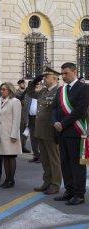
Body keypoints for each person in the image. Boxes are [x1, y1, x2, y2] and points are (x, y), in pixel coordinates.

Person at [52, 62, 89, 205]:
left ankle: (79, 195)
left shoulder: (84, 88)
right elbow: (54, 108)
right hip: (61, 132)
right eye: (62, 73)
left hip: (75, 131)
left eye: (66, 73)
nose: (63, 76)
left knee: (76, 164)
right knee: (65, 163)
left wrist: (62, 123)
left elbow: (80, 110)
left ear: (74, 72)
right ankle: (69, 191)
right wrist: (55, 122)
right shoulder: (61, 90)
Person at [26, 67, 62, 195]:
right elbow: (29, 93)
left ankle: (55, 184)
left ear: (54, 78)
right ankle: (47, 181)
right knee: (45, 159)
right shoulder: (43, 91)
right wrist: (34, 81)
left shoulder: (59, 91)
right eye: (44, 76)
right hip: (40, 130)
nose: (44, 79)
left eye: (47, 76)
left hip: (51, 131)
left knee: (54, 159)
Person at [0, 82, 22, 189]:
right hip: (1, 133)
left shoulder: (15, 102)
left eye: (4, 89)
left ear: (10, 90)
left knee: (11, 156)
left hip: (10, 134)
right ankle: (7, 179)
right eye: (1, 89)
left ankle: (11, 180)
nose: (2, 91)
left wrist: (14, 134)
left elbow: (16, 119)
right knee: (5, 156)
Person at [23, 91, 40, 163]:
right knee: (33, 139)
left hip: (39, 119)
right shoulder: (29, 97)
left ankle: (41, 156)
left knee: (40, 138)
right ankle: (36, 155)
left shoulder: (42, 96)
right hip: (31, 119)